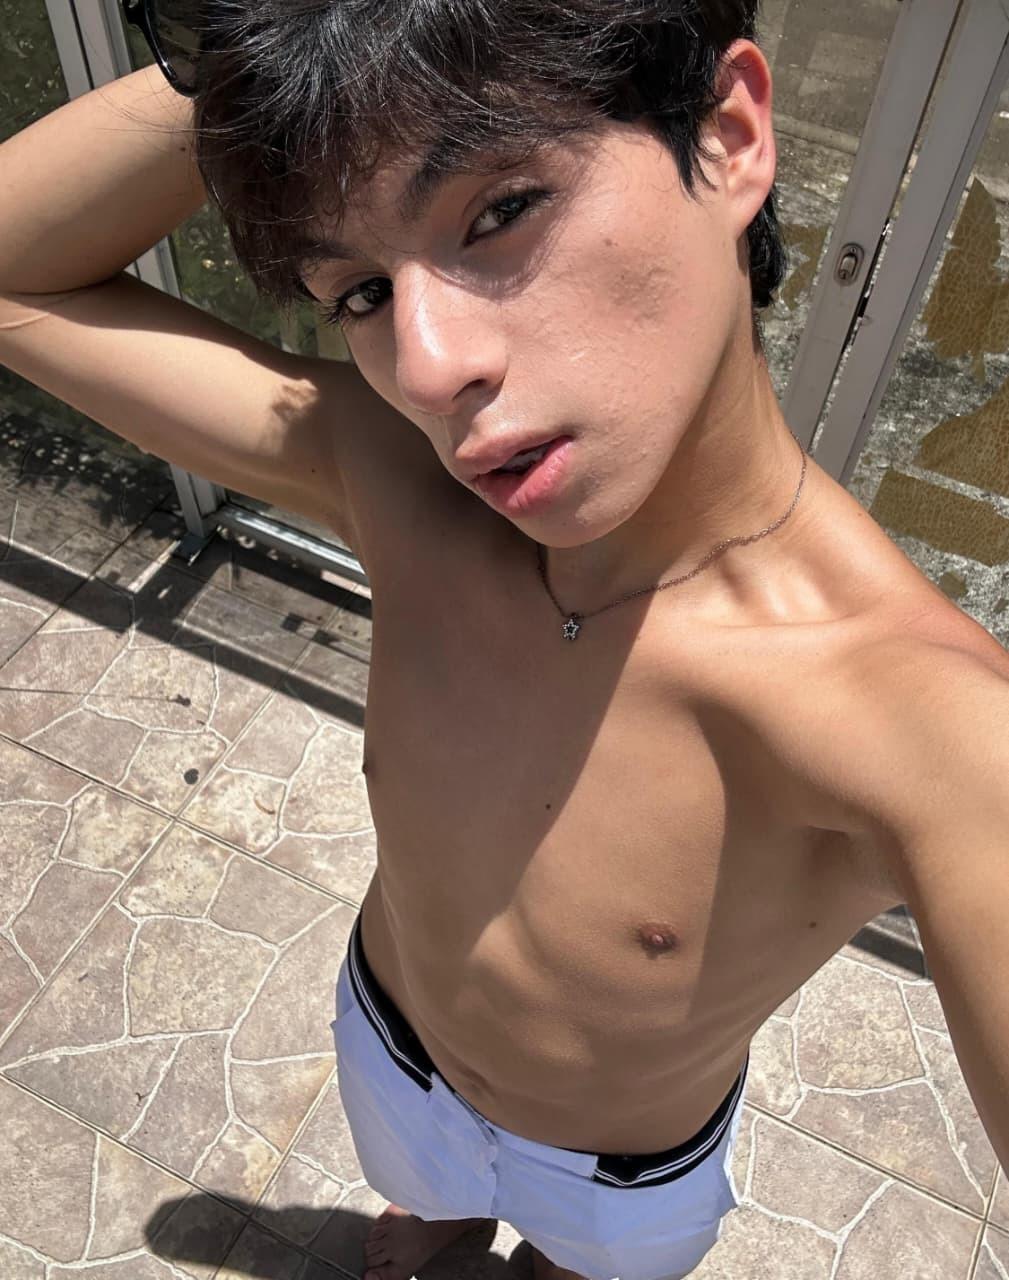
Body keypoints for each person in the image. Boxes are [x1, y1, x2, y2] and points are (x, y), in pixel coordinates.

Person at [1, 3, 1007, 1278]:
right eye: (362, 291)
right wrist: (294, 42)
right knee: (419, 1208)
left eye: (499, 211)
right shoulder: (399, 486)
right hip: (394, 1048)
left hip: (619, 1169)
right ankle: (436, 1214)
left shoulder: (919, 719)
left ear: (727, 135)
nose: (426, 369)